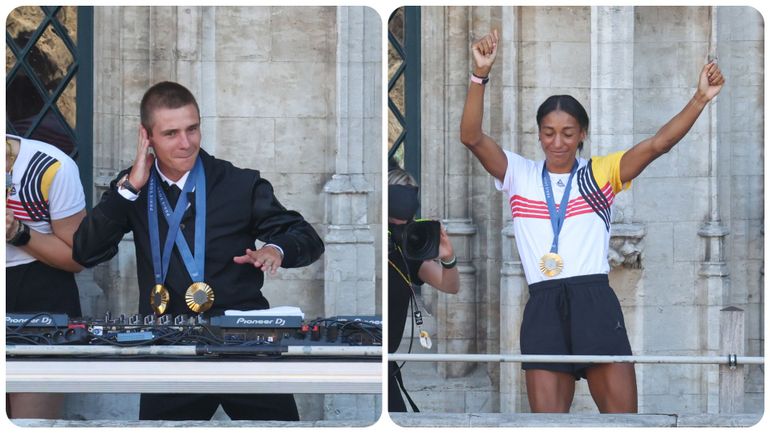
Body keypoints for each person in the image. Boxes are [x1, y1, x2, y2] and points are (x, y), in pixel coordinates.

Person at [460, 30, 724, 413]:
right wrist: (478, 76)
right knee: (548, 424)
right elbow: (470, 136)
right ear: (539, 135)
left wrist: (700, 98)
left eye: (568, 133)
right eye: (548, 133)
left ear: (582, 134)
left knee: (623, 422)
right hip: (544, 304)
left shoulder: (600, 173)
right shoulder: (520, 174)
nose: (558, 142)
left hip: (594, 301)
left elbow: (657, 144)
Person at [72, 81, 325, 421]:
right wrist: (130, 187)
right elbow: (85, 252)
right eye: (171, 133)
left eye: (192, 129)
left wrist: (277, 249)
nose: (186, 143)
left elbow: (306, 237)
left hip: (245, 345)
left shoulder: (239, 182)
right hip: (169, 347)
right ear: (146, 137)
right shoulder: (132, 188)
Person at [6, 134, 86, 419]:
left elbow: (77, 257)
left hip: (37, 296)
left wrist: (18, 232)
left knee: (30, 423)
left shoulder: (50, 166)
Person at [387, 160, 460, 412]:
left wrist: (448, 258)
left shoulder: (409, 250)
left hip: (387, 362)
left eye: (405, 222)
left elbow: (450, 286)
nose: (399, 229)